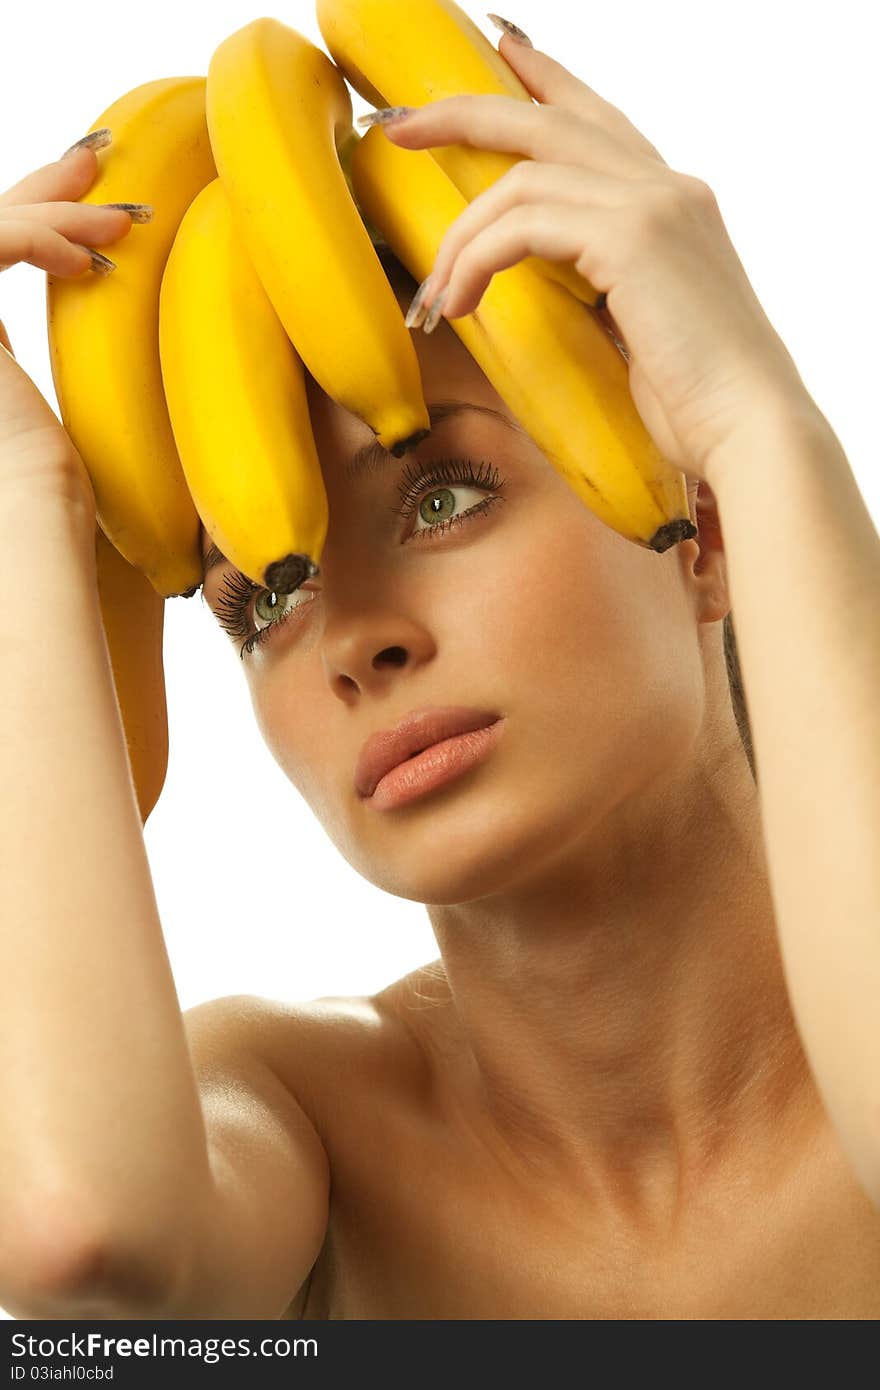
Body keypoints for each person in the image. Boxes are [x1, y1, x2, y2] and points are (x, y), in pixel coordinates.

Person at [2, 27, 879, 1321]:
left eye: (445, 496)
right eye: (271, 596)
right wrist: (25, 503)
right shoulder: (296, 1120)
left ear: (708, 527)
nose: (356, 638)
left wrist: (763, 422)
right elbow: (82, 1249)